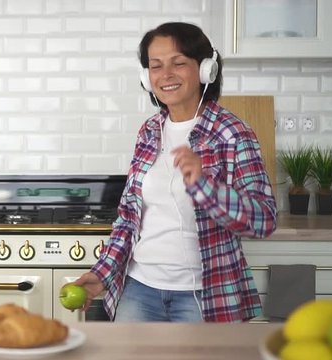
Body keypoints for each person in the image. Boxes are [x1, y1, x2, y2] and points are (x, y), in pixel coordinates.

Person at [74, 22, 277, 322]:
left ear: (206, 69)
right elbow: (128, 217)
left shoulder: (232, 133)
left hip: (204, 295)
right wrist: (102, 273)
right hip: (139, 288)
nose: (165, 75)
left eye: (178, 63)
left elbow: (264, 220)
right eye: (155, 66)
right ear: (146, 77)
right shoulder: (149, 131)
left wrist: (206, 187)